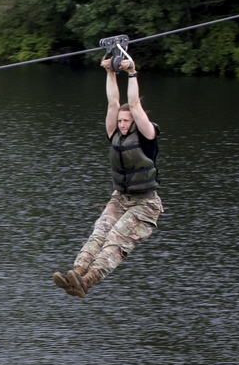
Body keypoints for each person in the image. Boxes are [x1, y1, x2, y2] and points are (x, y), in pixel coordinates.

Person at [52, 52, 164, 298]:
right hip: (120, 197)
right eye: (121, 121)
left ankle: (89, 281)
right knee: (99, 232)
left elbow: (133, 104)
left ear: (135, 121)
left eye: (127, 121)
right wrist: (110, 71)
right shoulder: (115, 133)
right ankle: (77, 274)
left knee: (115, 239)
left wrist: (132, 72)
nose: (123, 124)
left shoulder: (146, 135)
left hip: (144, 203)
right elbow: (114, 103)